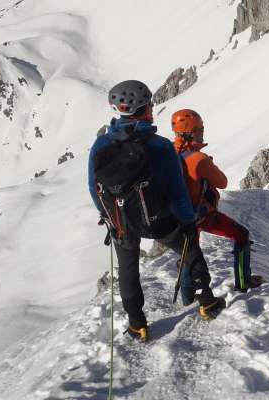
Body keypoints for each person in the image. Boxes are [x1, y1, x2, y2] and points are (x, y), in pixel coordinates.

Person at [88, 81, 222, 342]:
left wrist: (108, 217)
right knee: (189, 247)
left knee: (128, 270)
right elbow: (177, 192)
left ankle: (138, 324)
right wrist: (187, 222)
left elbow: (94, 187)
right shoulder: (160, 147)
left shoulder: (101, 145)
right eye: (150, 104)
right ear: (144, 108)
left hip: (121, 220)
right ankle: (206, 301)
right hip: (159, 219)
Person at [170, 109, 264, 292]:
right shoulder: (198, 159)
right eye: (198, 130)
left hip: (179, 217)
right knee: (241, 235)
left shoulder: (168, 153)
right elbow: (222, 182)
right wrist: (208, 164)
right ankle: (243, 282)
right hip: (201, 214)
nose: (202, 133)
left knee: (188, 255)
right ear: (189, 132)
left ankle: (188, 300)